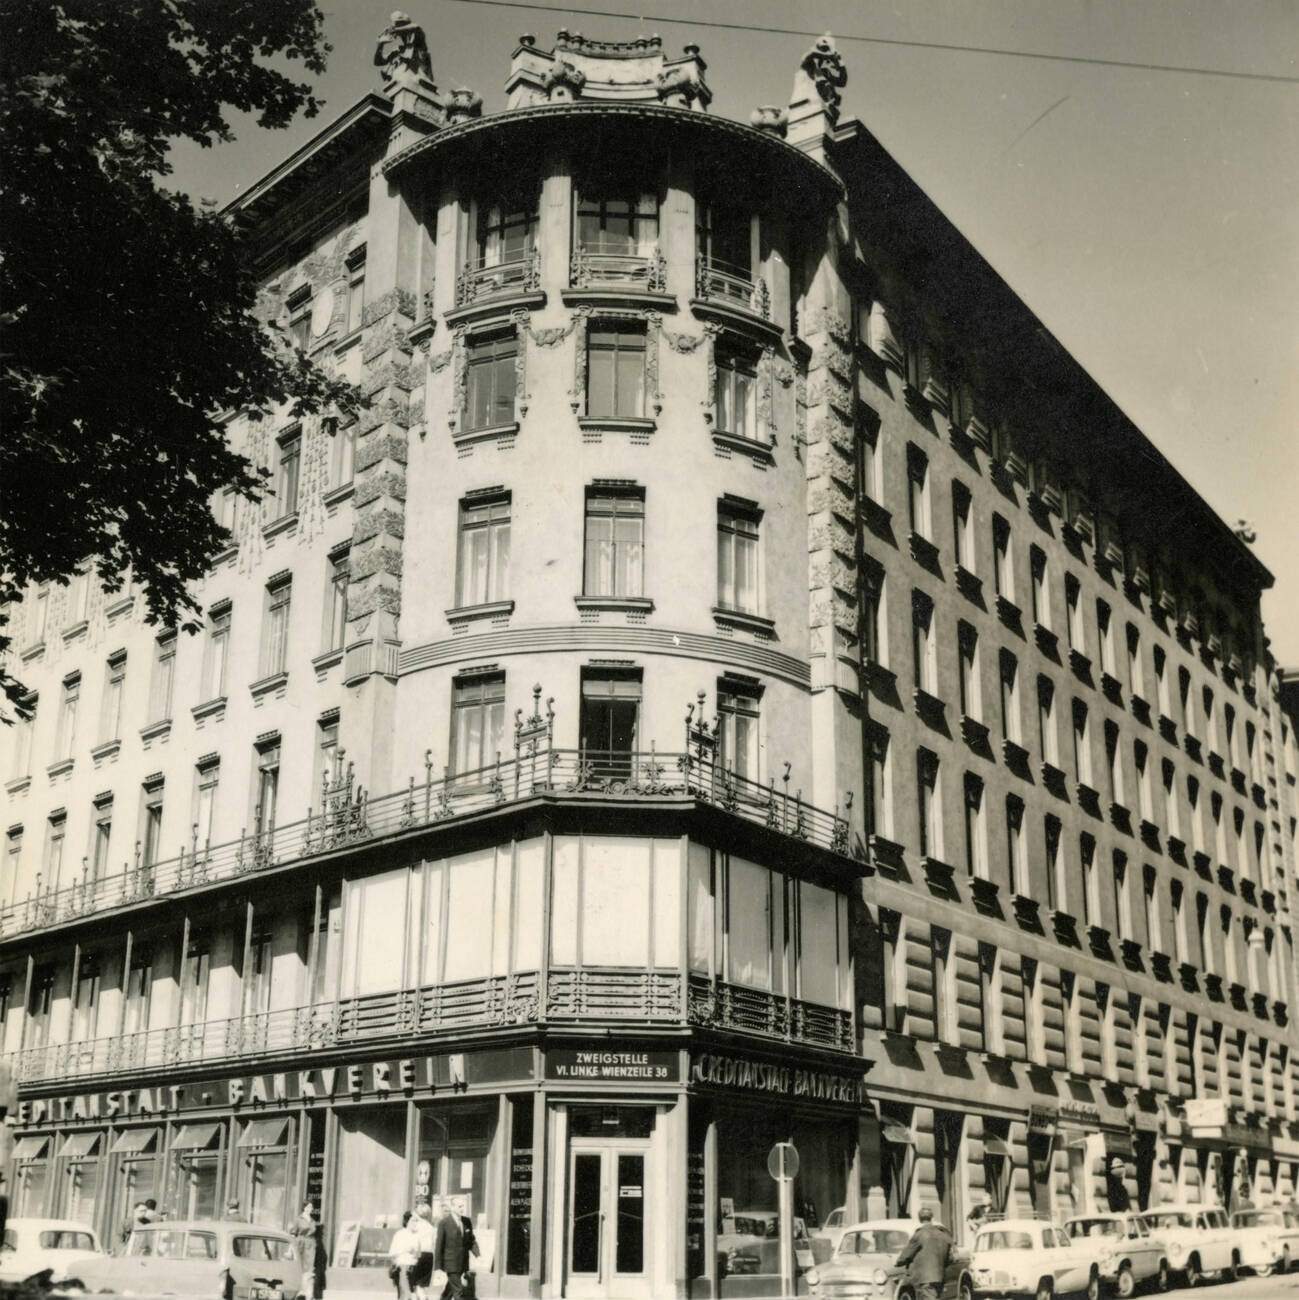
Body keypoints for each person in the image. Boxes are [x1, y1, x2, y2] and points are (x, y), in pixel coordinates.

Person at [895, 1205, 953, 1300]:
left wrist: (898, 1262)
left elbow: (907, 1254)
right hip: (940, 1276)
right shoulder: (943, 1234)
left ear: (919, 1219)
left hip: (925, 1279)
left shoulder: (919, 1234)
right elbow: (950, 1258)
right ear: (931, 1218)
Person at [432, 1201, 468, 1300]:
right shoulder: (444, 1223)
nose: (462, 1208)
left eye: (463, 1206)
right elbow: (439, 1245)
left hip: (461, 1263)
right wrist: (437, 1267)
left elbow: (468, 1241)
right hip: (450, 1263)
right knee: (458, 1290)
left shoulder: (464, 1222)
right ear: (452, 1207)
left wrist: (477, 1254)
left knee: (449, 1290)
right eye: (459, 1206)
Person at [292, 1202, 328, 1300]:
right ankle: (300, 1292)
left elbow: (314, 1232)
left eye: (311, 1207)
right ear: (304, 1207)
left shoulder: (312, 1220)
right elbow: (293, 1234)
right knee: (300, 1268)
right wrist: (290, 1249)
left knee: (310, 1270)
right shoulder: (298, 1219)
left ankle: (309, 1294)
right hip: (301, 1245)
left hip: (311, 1246)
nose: (310, 1208)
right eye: (308, 1207)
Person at [388, 1211, 419, 1300]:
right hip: (402, 1268)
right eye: (413, 1220)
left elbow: (418, 1254)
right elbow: (392, 1253)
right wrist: (406, 1250)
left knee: (411, 1295)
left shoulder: (416, 1235)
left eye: (417, 1221)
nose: (415, 1223)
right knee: (405, 1296)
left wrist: (415, 1252)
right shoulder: (400, 1234)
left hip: (414, 1269)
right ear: (407, 1221)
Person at [410, 1200, 437, 1300]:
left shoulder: (416, 1227)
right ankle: (422, 1296)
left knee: (413, 1283)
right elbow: (434, 1243)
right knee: (422, 1284)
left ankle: (421, 1297)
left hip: (418, 1254)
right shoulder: (432, 1228)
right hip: (429, 1255)